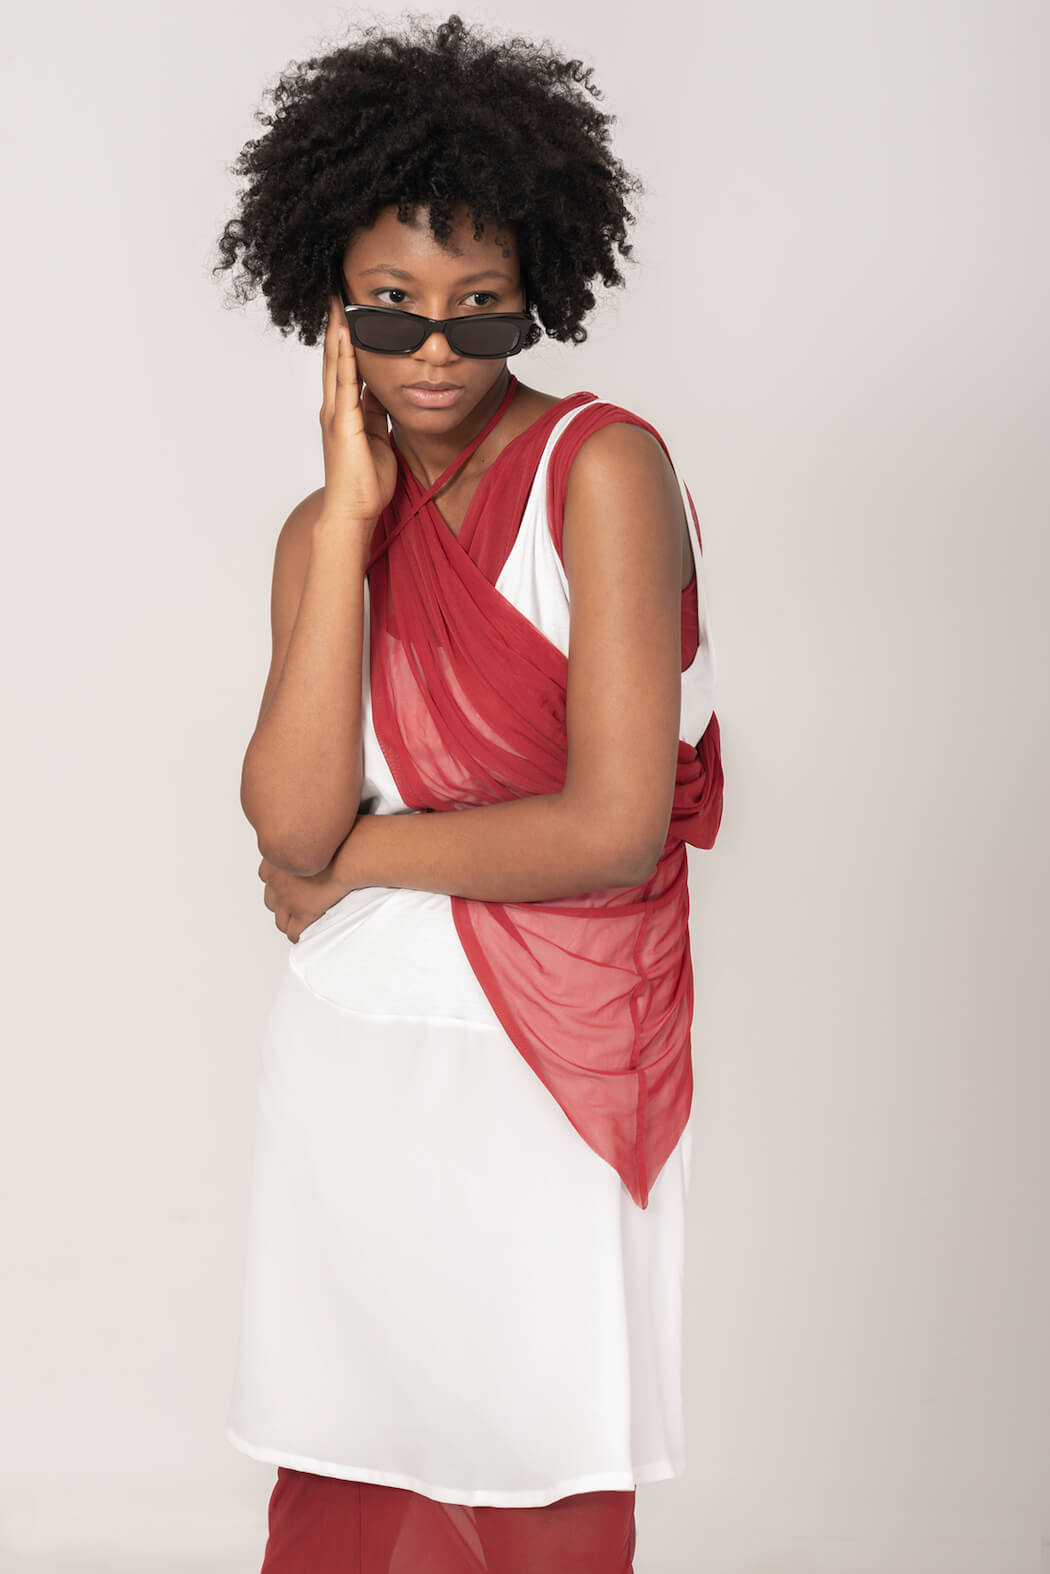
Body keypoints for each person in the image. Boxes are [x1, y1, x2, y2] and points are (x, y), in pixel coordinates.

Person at [212, 13, 723, 1572]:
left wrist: (357, 862)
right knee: (345, 1477)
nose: (434, 347)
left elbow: (609, 826)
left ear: (534, 293)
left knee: (542, 1468)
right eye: (391, 305)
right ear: (328, 301)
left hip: (547, 1064)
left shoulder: (601, 469)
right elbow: (285, 820)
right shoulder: (322, 529)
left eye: (478, 309)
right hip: (354, 1059)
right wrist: (348, 516)